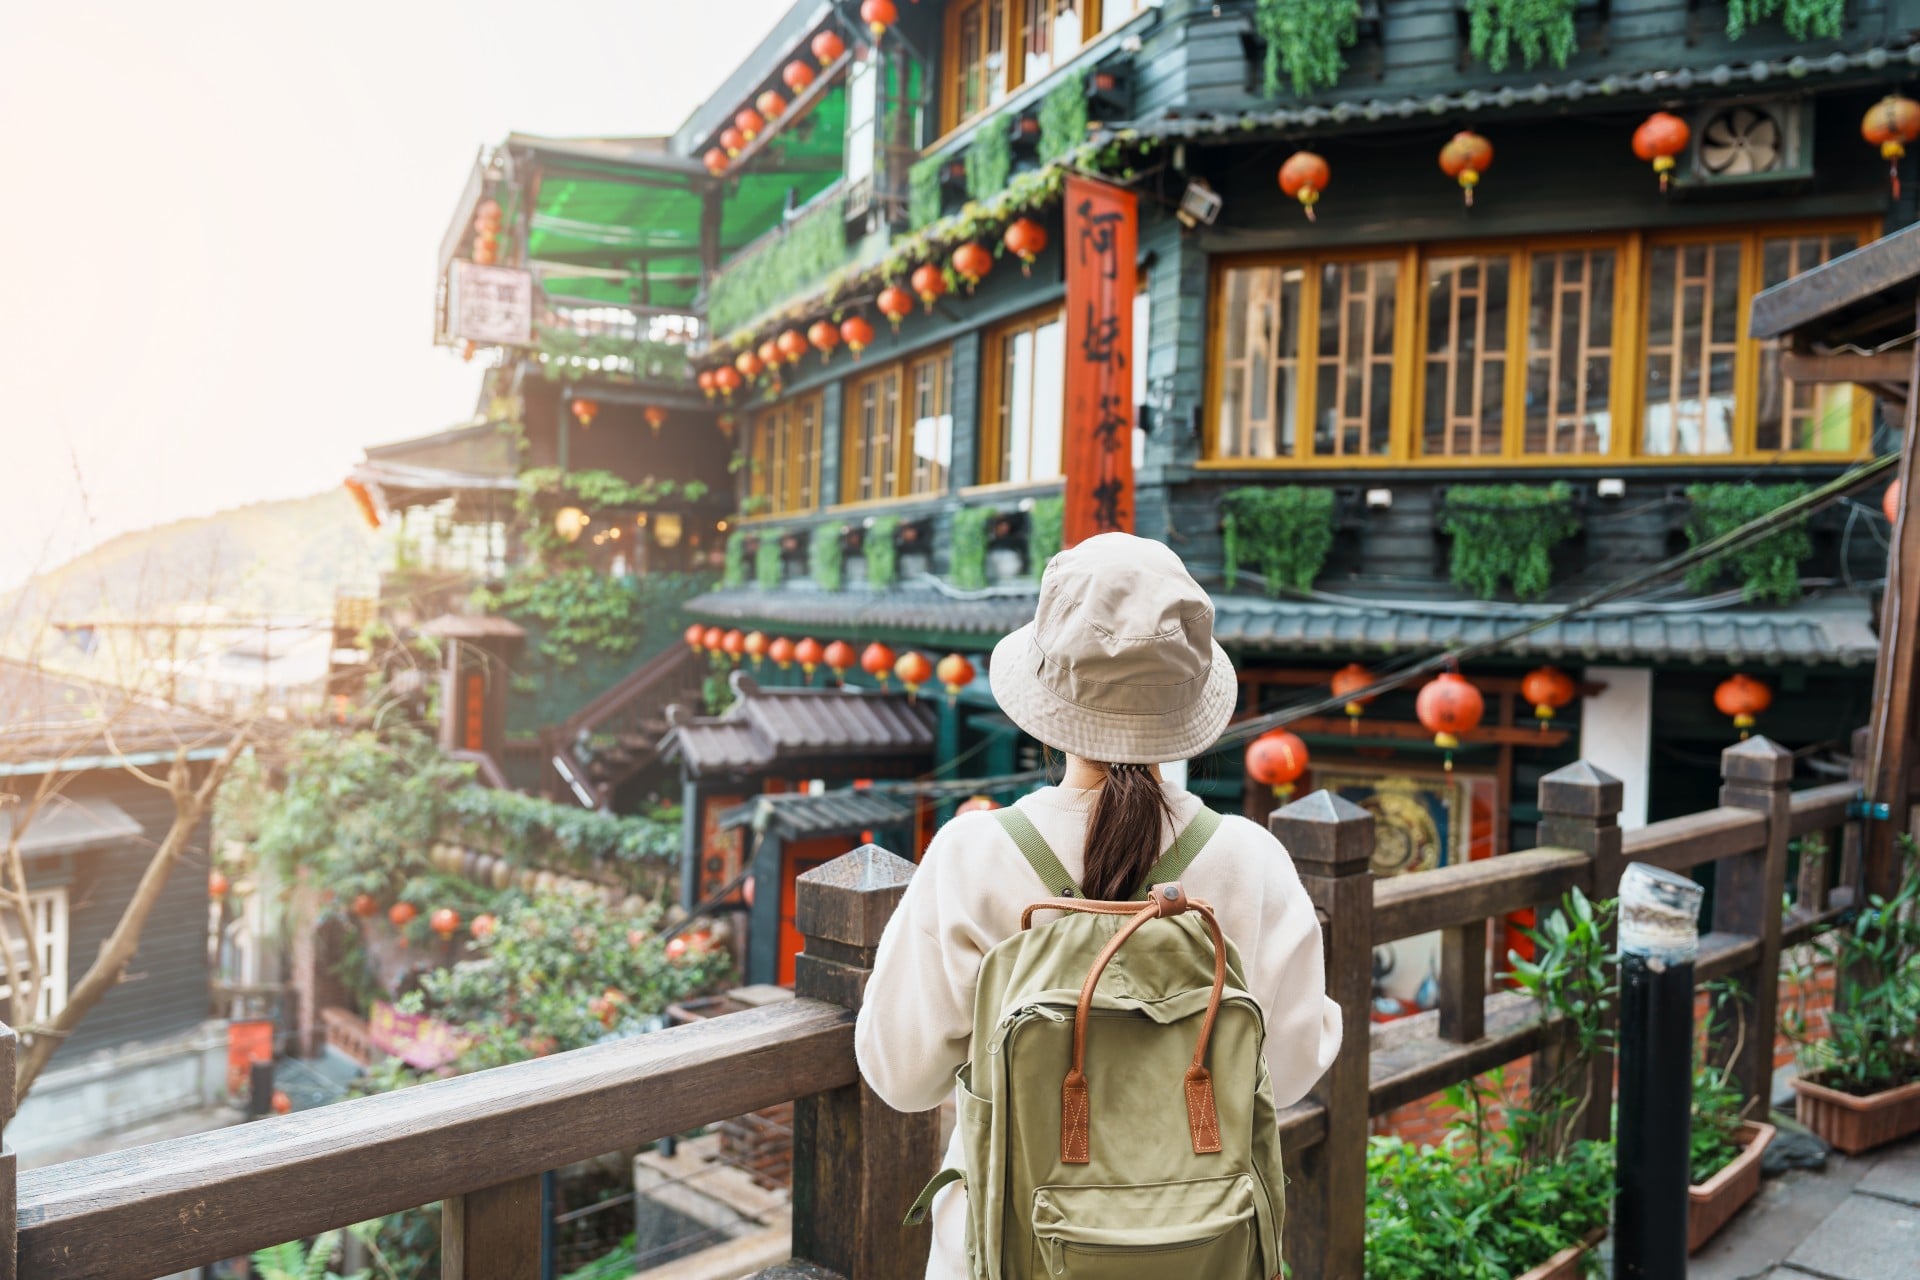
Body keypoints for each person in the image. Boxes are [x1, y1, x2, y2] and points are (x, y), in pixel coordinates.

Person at [854, 532, 1342, 1280]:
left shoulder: (972, 853)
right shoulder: (1252, 860)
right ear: (1188, 694)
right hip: (1202, 1252)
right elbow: (1291, 1066)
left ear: (1048, 699)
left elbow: (902, 1075)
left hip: (1004, 1253)